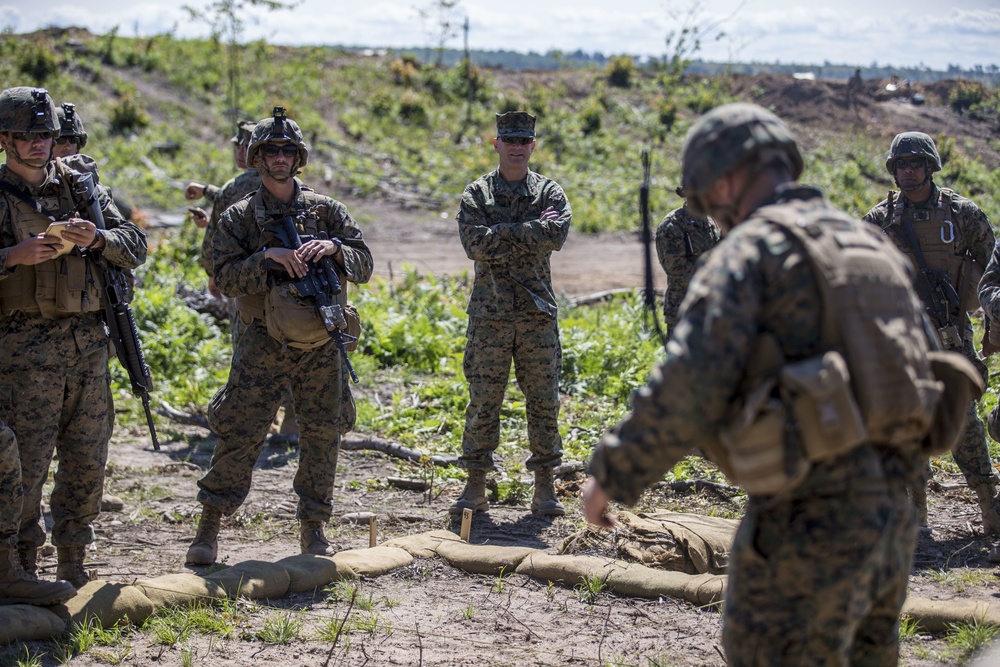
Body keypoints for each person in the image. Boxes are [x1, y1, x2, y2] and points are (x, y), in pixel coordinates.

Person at [582, 102, 971, 665]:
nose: (711, 215)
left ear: (728, 178)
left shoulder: (754, 251)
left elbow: (690, 379)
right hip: (893, 517)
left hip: (806, 521)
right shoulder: (869, 248)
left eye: (707, 200)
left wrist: (615, 472)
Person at [186, 107, 372, 565]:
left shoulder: (327, 211)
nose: (280, 157)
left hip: (321, 340)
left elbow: (363, 262)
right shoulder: (238, 217)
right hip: (261, 340)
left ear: (300, 157)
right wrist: (268, 257)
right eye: (270, 149)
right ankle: (209, 525)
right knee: (241, 429)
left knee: (322, 431)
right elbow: (224, 278)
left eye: (289, 150)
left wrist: (333, 247)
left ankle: (313, 528)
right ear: (256, 157)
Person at [0, 87, 147, 590]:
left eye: (46, 134)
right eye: (26, 135)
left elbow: (136, 243)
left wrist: (99, 239)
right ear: (5, 140)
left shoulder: (82, 187)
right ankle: (19, 567)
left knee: (87, 461)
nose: (38, 143)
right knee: (26, 467)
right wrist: (13, 256)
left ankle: (73, 559)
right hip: (23, 358)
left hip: (88, 348)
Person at [863, 131, 1000, 533]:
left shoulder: (962, 214)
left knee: (964, 422)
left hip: (951, 333)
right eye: (901, 165)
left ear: (930, 167)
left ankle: (988, 502)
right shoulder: (880, 219)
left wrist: (992, 328)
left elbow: (992, 270)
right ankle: (915, 511)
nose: (908, 171)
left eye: (915, 164)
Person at [451, 111, 571, 518]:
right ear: (497, 144)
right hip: (491, 316)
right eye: (510, 140)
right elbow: (474, 245)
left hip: (537, 316)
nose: (517, 147)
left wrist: (501, 233)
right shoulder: (478, 194)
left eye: (524, 140)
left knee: (543, 402)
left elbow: (555, 236)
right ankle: (475, 487)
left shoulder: (550, 192)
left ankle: (544, 489)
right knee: (484, 401)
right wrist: (528, 231)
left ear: (533, 145)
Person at [654, 188, 721, 333]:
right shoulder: (673, 224)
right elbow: (675, 269)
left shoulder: (709, 223)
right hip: (682, 310)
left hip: (709, 309)